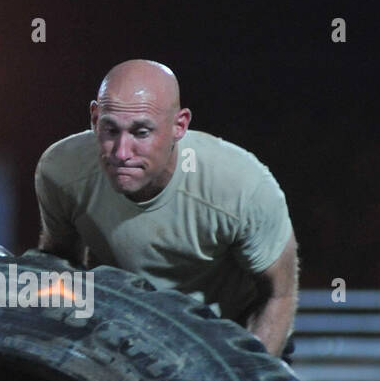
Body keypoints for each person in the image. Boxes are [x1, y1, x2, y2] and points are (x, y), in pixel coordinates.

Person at [35, 59, 298, 358]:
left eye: (141, 132)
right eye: (110, 130)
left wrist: (247, 378)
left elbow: (279, 295)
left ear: (179, 125)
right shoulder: (62, 170)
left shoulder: (242, 186)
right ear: (94, 118)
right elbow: (61, 266)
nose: (121, 153)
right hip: (126, 330)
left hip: (229, 334)